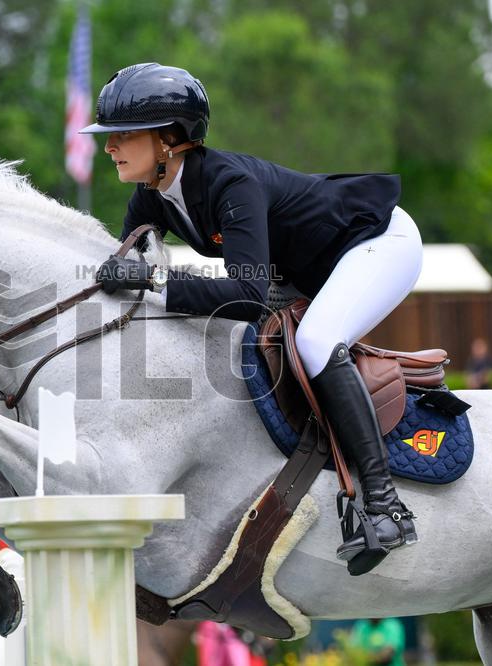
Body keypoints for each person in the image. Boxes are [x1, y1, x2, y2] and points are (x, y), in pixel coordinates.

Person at [82, 63, 423, 575]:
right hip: (311, 265)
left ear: (170, 139)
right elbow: (126, 268)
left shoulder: (230, 183)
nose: (108, 147)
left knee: (316, 341)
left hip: (376, 241)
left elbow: (244, 294)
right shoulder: (150, 196)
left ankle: (384, 504)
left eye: (123, 135)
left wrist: (149, 281)